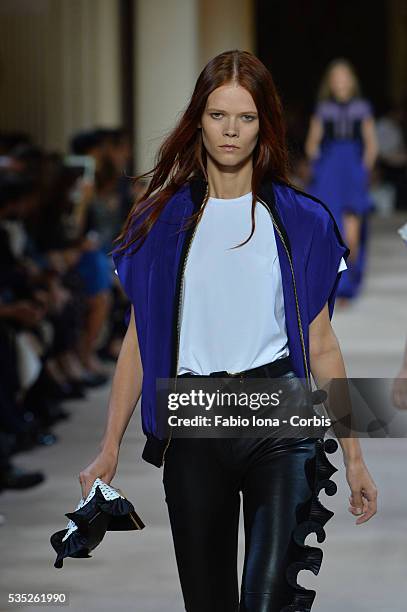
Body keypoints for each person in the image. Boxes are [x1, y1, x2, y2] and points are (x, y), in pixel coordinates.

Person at [79, 50, 378, 612]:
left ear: (265, 124)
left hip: (280, 420)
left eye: (245, 117)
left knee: (269, 601)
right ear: (199, 119)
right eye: (218, 115)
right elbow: (141, 341)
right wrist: (109, 446)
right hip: (194, 424)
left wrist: (356, 456)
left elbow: (321, 345)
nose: (231, 130)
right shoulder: (160, 221)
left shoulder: (301, 219)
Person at [305, 58, 378, 306]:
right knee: (332, 229)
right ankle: (338, 287)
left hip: (352, 172)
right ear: (330, 82)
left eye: (344, 76)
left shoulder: (362, 108)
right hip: (330, 173)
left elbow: (371, 144)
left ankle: (348, 283)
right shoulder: (324, 109)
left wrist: (363, 170)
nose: (340, 82)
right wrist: (320, 166)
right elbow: (312, 144)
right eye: (336, 77)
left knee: (353, 232)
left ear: (351, 80)